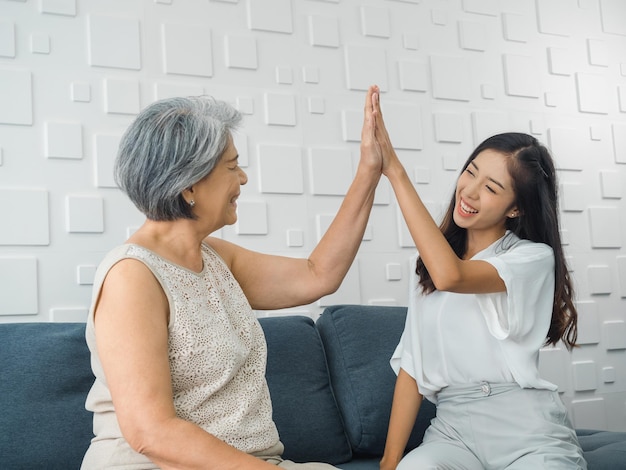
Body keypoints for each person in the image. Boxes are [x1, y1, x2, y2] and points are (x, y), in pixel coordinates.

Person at [80, 86, 382, 469]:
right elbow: (150, 433)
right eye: (231, 166)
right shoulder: (132, 277)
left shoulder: (214, 258)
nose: (242, 178)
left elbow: (318, 275)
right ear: (189, 184)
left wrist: (369, 171)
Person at [368, 85, 587, 469]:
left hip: (525, 430)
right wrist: (389, 462)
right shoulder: (427, 270)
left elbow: (453, 276)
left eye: (491, 188)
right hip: (452, 431)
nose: (468, 191)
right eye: (470, 172)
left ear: (516, 208)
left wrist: (395, 171)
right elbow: (412, 369)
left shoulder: (531, 258)